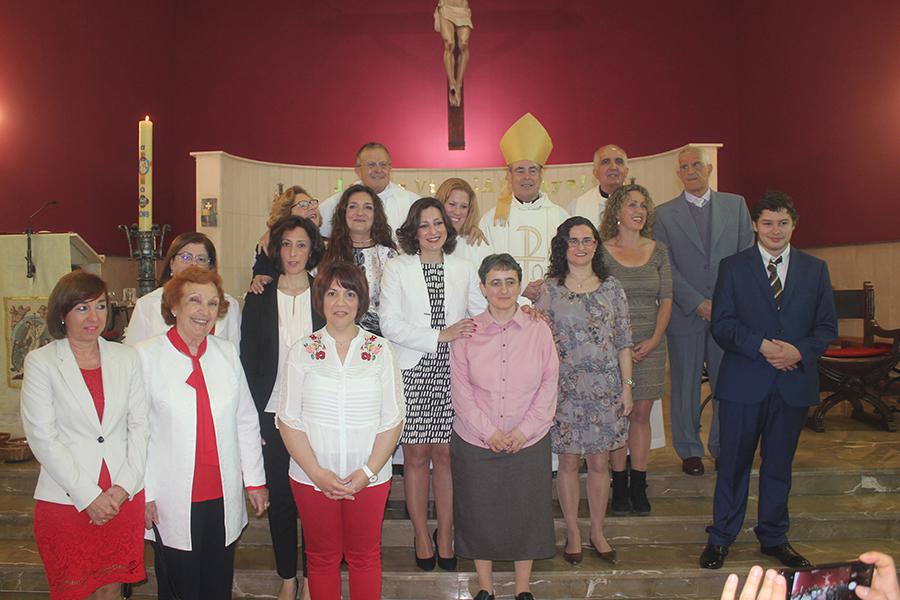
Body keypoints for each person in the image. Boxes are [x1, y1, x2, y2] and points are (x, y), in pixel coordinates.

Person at [699, 192, 837, 570]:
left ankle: (774, 537)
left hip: (792, 384)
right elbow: (723, 323)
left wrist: (798, 351)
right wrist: (761, 346)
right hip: (745, 381)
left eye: (783, 223)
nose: (775, 230)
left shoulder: (815, 268)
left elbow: (827, 328)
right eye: (768, 223)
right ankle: (721, 537)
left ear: (794, 225)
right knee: (733, 464)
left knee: (779, 465)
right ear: (756, 226)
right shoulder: (734, 266)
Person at [137, 267, 267, 599]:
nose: (204, 311)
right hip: (170, 496)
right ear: (175, 305)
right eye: (194, 300)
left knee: (216, 584)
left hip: (221, 494)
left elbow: (246, 420)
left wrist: (254, 480)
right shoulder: (145, 356)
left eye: (212, 303)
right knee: (179, 588)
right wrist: (144, 491)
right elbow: (134, 430)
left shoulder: (225, 353)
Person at [278, 261, 405, 600]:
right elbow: (288, 419)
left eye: (349, 294)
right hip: (311, 478)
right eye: (332, 293)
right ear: (320, 299)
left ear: (360, 301)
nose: (340, 302)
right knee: (321, 559)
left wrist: (366, 473)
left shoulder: (380, 350)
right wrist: (318, 474)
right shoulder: (302, 351)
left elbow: (392, 419)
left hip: (369, 477)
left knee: (365, 557)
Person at [21, 270, 149, 600]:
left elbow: (140, 427)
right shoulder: (41, 362)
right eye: (82, 308)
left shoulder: (127, 357)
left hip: (122, 495)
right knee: (73, 590)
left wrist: (121, 489)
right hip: (68, 498)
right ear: (62, 313)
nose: (94, 317)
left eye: (101, 306)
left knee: (111, 588)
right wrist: (89, 497)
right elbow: (42, 437)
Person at [379, 197, 486, 572]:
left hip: (452, 371)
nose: (432, 231)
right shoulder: (397, 268)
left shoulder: (463, 267)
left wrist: (521, 308)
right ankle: (422, 534)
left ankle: (446, 534)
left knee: (445, 456)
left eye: (438, 223)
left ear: (448, 227)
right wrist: (439, 335)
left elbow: (482, 314)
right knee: (415, 457)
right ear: (413, 230)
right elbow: (388, 323)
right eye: (424, 225)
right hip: (413, 369)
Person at [451, 253, 559, 600]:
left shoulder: (538, 327)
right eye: (495, 282)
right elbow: (461, 390)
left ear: (519, 286)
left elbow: (549, 383)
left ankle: (523, 589)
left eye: (510, 281)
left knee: (526, 510)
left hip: (528, 438)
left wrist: (523, 431)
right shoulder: (467, 332)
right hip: (477, 439)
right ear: (482, 287)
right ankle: (485, 587)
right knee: (478, 510)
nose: (503, 289)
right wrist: (490, 433)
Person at [535, 217, 633, 566]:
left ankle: (597, 530)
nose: (580, 247)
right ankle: (573, 531)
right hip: (565, 391)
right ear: (563, 246)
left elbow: (623, 342)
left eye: (586, 240)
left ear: (596, 245)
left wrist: (627, 387)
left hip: (606, 390)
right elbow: (538, 345)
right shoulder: (549, 291)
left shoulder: (613, 288)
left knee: (599, 462)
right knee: (568, 462)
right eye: (573, 241)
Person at [241, 216, 326, 600]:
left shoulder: (325, 292)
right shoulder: (259, 295)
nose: (293, 253)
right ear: (276, 249)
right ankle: (287, 577)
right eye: (287, 245)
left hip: (316, 414)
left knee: (313, 499)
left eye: (301, 245)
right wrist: (253, 419)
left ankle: (312, 577)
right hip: (272, 413)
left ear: (312, 250)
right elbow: (248, 361)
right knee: (280, 500)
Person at [654, 146, 753, 476]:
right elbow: (666, 266)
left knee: (728, 382)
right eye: (684, 166)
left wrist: (724, 304)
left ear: (708, 168)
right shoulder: (664, 214)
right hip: (685, 313)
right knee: (685, 383)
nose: (691, 170)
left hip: (728, 314)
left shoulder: (735, 205)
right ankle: (689, 449)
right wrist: (697, 302)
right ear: (678, 174)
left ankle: (723, 446)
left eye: (697, 164)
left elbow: (746, 258)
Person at [601, 184, 672, 516]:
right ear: (617, 211)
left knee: (641, 415)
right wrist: (621, 346)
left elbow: (667, 299)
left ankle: (639, 484)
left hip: (651, 344)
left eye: (643, 205)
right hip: (614, 347)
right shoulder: (601, 252)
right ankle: (619, 486)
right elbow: (597, 302)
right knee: (620, 415)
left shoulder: (658, 250)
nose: (639, 210)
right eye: (631, 204)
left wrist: (655, 339)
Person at [479, 113, 569, 300]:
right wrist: (520, 289)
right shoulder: (492, 220)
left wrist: (549, 287)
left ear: (541, 175)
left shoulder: (561, 218)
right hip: (507, 308)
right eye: (520, 170)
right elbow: (483, 268)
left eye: (532, 170)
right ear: (509, 175)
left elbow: (573, 263)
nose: (526, 177)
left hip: (553, 304)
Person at [123, 231, 241, 347]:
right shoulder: (147, 304)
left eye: (201, 259)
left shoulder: (229, 304)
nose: (193, 264)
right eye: (185, 257)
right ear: (171, 263)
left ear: (210, 267)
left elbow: (233, 355)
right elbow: (132, 358)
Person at [320, 183, 398, 336]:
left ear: (376, 214)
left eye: (367, 207)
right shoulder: (326, 252)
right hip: (333, 337)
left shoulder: (389, 255)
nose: (360, 212)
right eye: (353, 206)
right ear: (343, 213)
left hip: (376, 341)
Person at [318, 142, 419, 239]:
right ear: (358, 170)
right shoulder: (338, 202)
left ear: (390, 168)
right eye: (371, 165)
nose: (378, 170)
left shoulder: (411, 202)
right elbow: (315, 233)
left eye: (383, 164)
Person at [249, 185, 322, 294]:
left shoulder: (331, 245)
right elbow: (260, 283)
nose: (311, 207)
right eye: (303, 205)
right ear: (287, 214)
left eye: (312, 203)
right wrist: (260, 280)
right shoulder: (269, 247)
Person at [568, 144, 630, 229]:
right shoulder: (576, 207)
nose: (613, 167)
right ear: (595, 172)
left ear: (626, 171)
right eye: (606, 162)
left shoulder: (640, 204)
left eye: (619, 161)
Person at [435, 177, 491, 268]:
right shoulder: (426, 241)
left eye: (464, 206)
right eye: (452, 204)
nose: (457, 212)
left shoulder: (477, 244)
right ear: (439, 204)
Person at [434, 0, 473, 107]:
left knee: (464, 44)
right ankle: (452, 84)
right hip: (446, 7)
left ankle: (458, 84)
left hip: (462, 8)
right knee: (449, 43)